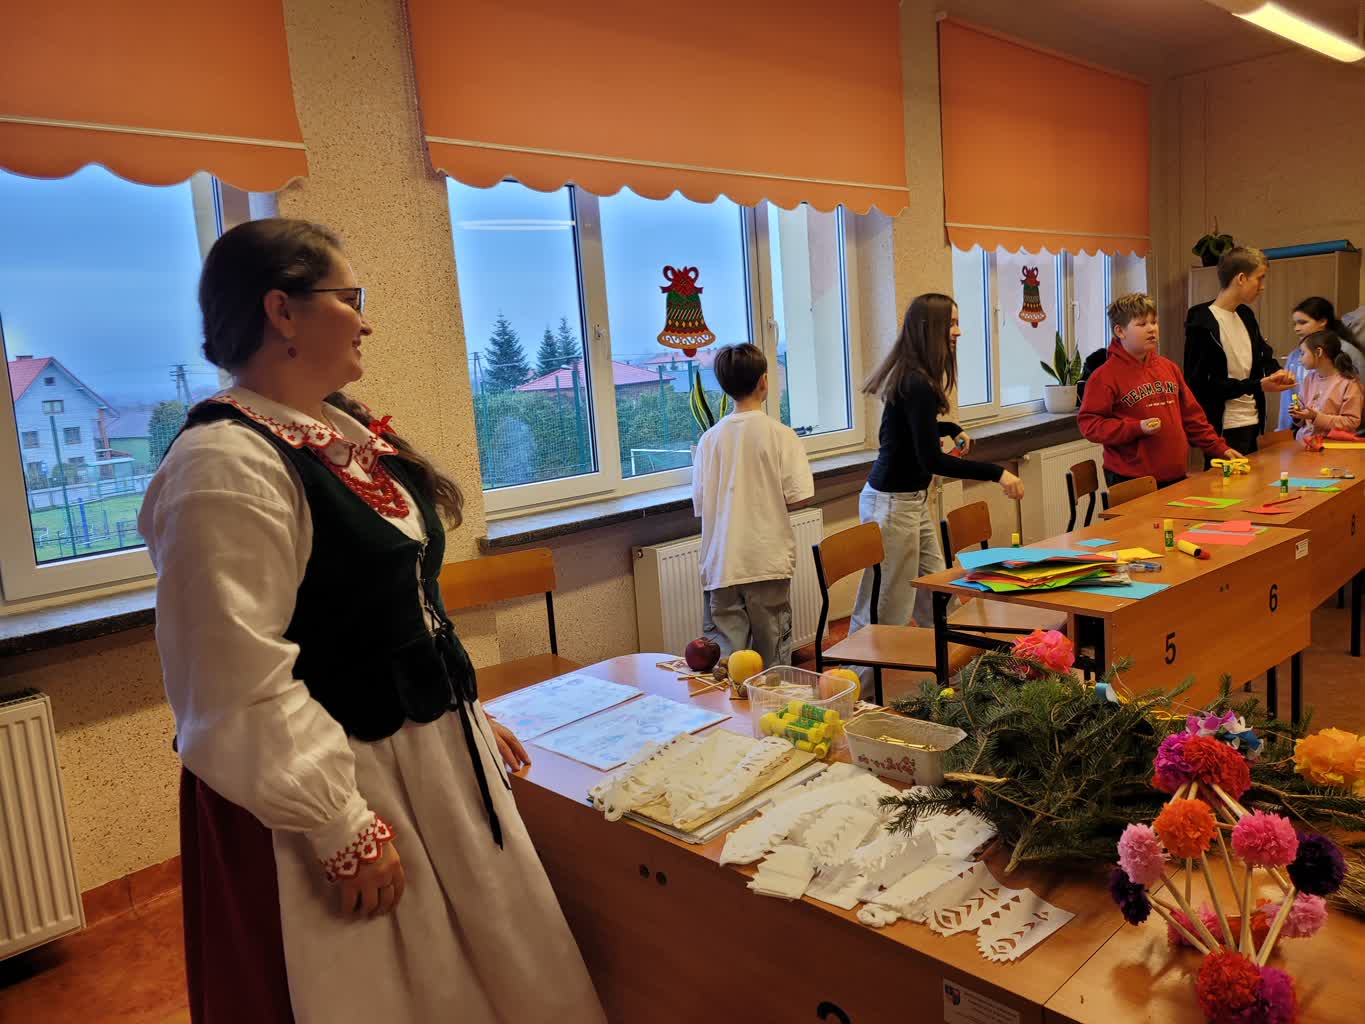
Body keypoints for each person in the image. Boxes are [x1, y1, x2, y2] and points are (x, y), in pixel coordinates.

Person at [138, 219, 604, 1023]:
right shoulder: (225, 466)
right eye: (350, 298)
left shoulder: (335, 432)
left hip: (419, 752)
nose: (366, 320)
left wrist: (459, 713)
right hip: (339, 776)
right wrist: (338, 827)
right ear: (282, 311)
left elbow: (396, 609)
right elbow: (228, 682)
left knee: (489, 963)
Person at [850, 293, 1024, 636]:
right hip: (893, 506)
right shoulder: (915, 382)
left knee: (939, 594)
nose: (958, 331)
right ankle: (861, 671)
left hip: (909, 502)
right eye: (952, 324)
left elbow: (902, 434)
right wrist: (998, 473)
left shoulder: (916, 378)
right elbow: (931, 459)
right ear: (930, 328)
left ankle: (957, 663)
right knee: (887, 608)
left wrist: (950, 428)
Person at [692, 342, 814, 668]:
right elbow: (800, 496)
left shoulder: (708, 440)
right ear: (764, 382)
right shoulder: (781, 435)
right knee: (773, 661)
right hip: (767, 562)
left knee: (726, 665)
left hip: (722, 565)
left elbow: (701, 504)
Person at [1079, 293, 1240, 488]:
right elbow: (1090, 425)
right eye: (1142, 324)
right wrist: (1136, 427)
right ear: (1120, 331)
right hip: (1132, 478)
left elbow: (1192, 417)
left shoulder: (1168, 368)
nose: (1151, 329)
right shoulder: (1104, 376)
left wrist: (1218, 447)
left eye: (1154, 322)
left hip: (1175, 473)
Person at [1185, 246, 1295, 462]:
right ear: (1241, 278)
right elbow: (1200, 384)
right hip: (1223, 427)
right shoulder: (1201, 319)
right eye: (1259, 278)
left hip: (1253, 421)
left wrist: (1277, 373)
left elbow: (1264, 357)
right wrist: (1257, 385)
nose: (1262, 286)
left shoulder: (1245, 314)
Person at [1279, 297, 1365, 430]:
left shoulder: (1349, 364)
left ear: (1323, 322)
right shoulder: (1306, 373)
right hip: (1304, 435)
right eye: (1295, 324)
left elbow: (1354, 416)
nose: (1296, 329)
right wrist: (1297, 417)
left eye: (1302, 322)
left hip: (1337, 437)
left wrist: (1315, 417)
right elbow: (1291, 400)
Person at [1291, 330, 1363, 443]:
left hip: (1333, 445)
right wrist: (1297, 415)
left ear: (1318, 352)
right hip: (1305, 442)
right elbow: (1302, 416)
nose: (1300, 359)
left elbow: (1351, 422)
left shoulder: (1348, 383)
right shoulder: (1309, 379)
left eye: (1303, 353)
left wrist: (1316, 417)